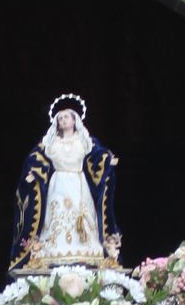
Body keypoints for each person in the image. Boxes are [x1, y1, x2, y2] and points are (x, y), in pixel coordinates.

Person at [9, 95, 120, 272]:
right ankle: (52, 251)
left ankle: (85, 251)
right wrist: (34, 174)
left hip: (78, 182)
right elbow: (35, 160)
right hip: (58, 184)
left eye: (66, 117)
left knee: (82, 217)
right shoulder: (50, 142)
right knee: (55, 215)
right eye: (59, 118)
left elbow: (98, 155)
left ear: (75, 119)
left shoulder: (85, 141)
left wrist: (107, 161)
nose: (63, 121)